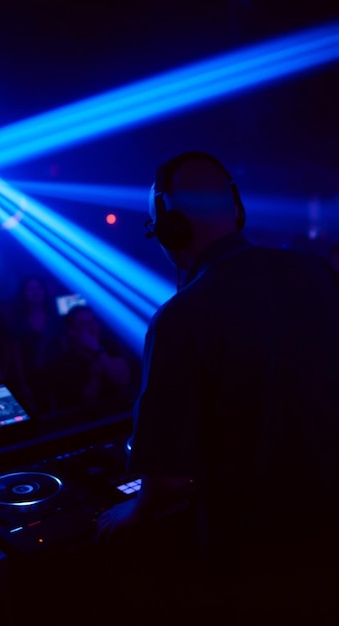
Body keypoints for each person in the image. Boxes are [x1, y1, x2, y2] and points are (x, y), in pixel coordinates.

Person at [97, 151, 339, 577]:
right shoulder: (317, 270)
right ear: (237, 209)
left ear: (171, 227)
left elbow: (168, 481)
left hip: (258, 551)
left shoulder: (180, 319)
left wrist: (132, 512)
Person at [51, 305, 134, 415]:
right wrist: (95, 377)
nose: (92, 328)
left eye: (93, 322)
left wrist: (98, 351)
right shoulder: (63, 363)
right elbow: (85, 403)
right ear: (71, 331)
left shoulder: (110, 347)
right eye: (84, 324)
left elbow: (123, 381)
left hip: (120, 412)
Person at [9, 275, 62, 415]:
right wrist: (22, 383)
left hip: (56, 371)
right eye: (30, 289)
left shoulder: (54, 317)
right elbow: (17, 355)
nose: (35, 292)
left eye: (38, 288)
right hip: (31, 375)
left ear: (44, 291)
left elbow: (64, 345)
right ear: (24, 293)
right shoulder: (18, 321)